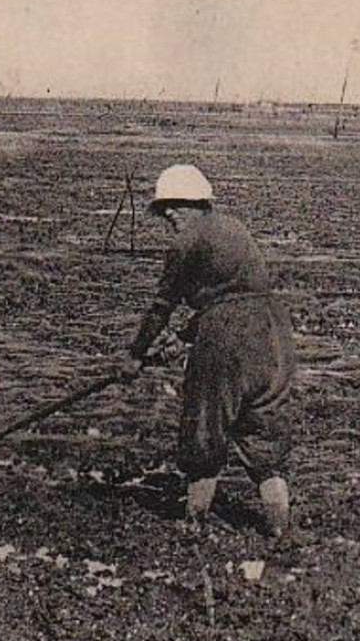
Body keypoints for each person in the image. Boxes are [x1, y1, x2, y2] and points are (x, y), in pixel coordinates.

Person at [115, 164, 297, 537]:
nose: (169, 213)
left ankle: (194, 524)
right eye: (165, 207)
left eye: (175, 205)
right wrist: (185, 336)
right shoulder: (236, 230)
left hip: (227, 338)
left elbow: (161, 305)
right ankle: (280, 529)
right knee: (261, 431)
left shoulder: (186, 242)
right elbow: (239, 293)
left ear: (197, 204)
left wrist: (134, 354)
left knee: (205, 427)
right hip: (274, 332)